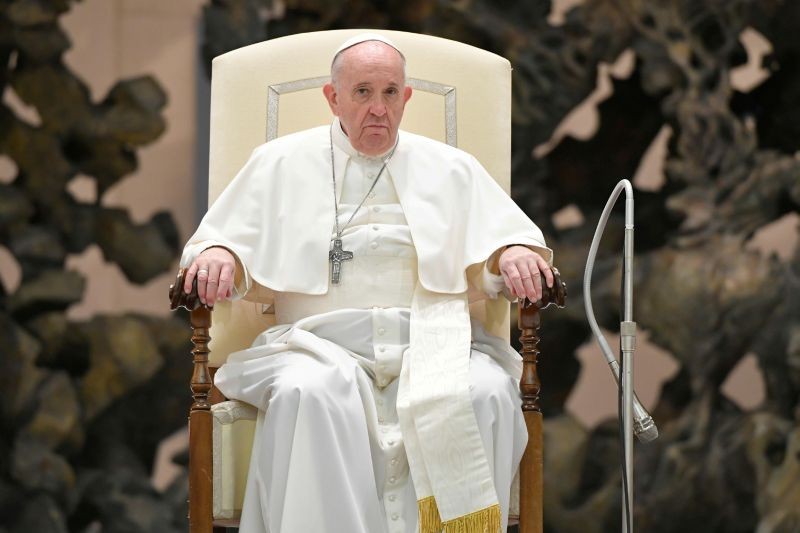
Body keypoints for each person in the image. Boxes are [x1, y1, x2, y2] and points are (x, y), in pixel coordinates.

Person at [181, 33, 553, 533]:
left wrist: (512, 254)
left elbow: (503, 243)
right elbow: (220, 241)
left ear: (406, 97)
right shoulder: (279, 162)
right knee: (307, 392)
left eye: (390, 92)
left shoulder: (452, 168)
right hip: (314, 343)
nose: (378, 109)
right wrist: (220, 254)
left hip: (431, 341)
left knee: (485, 391)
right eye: (362, 93)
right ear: (333, 97)